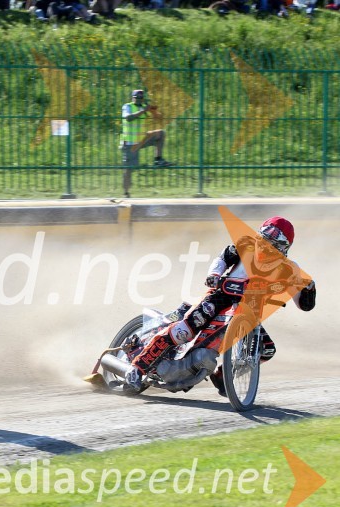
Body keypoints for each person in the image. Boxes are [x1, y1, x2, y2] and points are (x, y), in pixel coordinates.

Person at [124, 216, 317, 393]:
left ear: (283, 249)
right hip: (220, 296)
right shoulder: (245, 244)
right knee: (186, 330)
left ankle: (222, 375)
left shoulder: (290, 269)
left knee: (266, 349)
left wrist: (309, 289)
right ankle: (137, 368)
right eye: (262, 240)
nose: (264, 247)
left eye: (271, 245)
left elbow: (304, 304)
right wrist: (214, 275)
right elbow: (223, 258)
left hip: (249, 311)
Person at [120, 89, 172, 198]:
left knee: (160, 134)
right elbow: (128, 118)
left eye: (141, 98)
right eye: (137, 98)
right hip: (130, 143)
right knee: (129, 169)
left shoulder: (144, 106)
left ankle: (158, 160)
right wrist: (143, 110)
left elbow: (160, 119)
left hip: (141, 139)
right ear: (132, 98)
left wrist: (153, 111)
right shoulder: (127, 106)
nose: (139, 100)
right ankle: (126, 192)